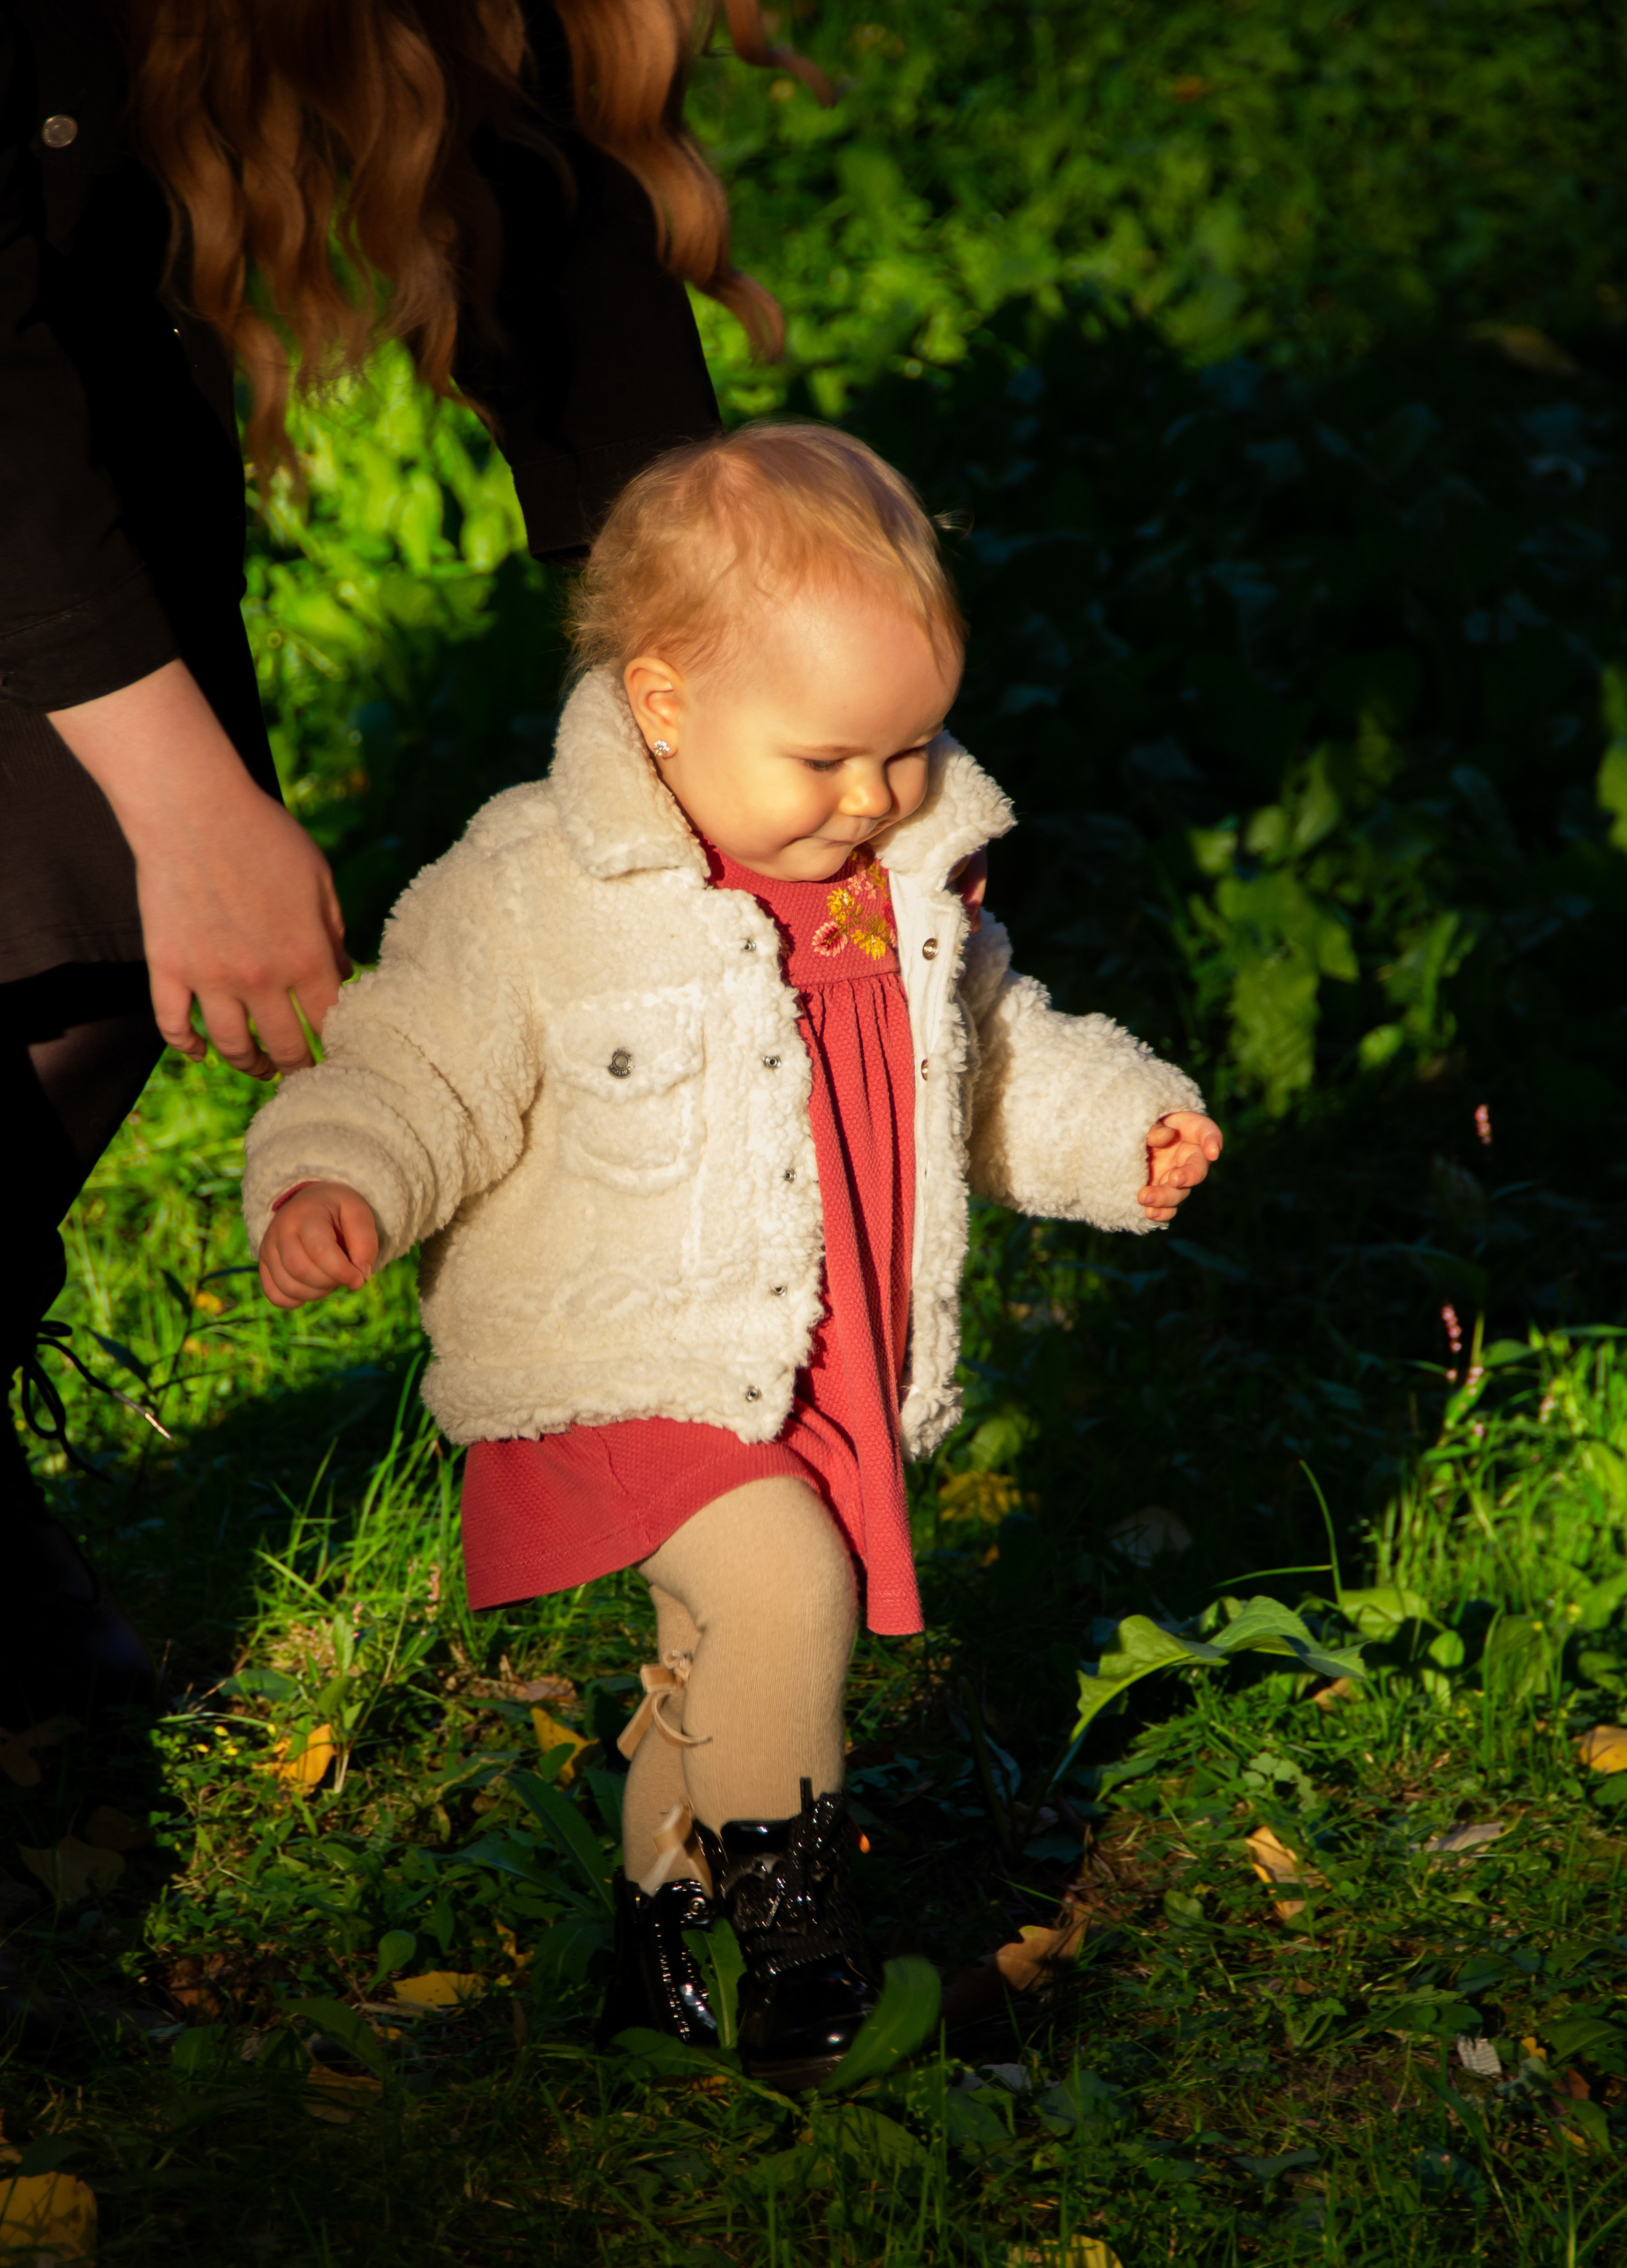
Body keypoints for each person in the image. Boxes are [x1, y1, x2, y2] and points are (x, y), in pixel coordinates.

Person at [0, 0, 785, 1940]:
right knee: (76, 870)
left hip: (70, 409)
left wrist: (730, 727)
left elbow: (568, 245)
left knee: (60, 985)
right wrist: (187, 803)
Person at [245, 421, 1224, 2086]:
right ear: (663, 702)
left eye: (910, 751)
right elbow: (416, 1061)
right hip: (620, 1344)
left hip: (814, 1355)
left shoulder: (896, 884)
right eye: (829, 758)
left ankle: (658, 1964)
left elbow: (988, 1060)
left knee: (711, 1664)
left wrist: (1116, 1125)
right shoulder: (542, 888)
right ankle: (799, 1964)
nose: (874, 798)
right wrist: (339, 1175)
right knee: (780, 1587)